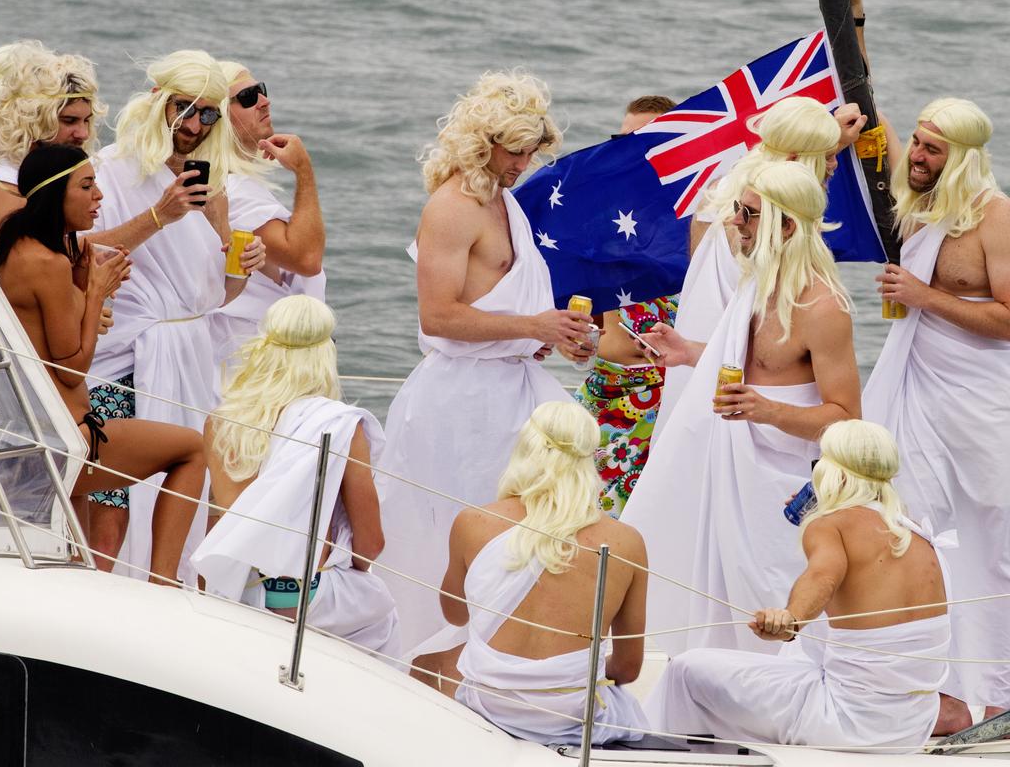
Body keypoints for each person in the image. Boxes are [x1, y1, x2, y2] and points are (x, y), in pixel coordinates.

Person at [374, 70, 589, 658]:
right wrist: (531, 326)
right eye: (514, 150)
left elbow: (495, 305)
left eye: (531, 151)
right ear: (481, 141)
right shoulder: (451, 208)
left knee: (528, 521)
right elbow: (439, 316)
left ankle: (506, 647)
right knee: (453, 523)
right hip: (460, 400)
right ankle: (427, 649)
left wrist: (550, 336)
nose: (523, 163)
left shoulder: (502, 200)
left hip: (510, 386)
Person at [623, 161, 860, 654]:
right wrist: (687, 352)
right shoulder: (755, 283)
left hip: (774, 485)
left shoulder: (823, 308)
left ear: (787, 225)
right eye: (737, 209)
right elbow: (749, 365)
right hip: (722, 461)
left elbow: (845, 418)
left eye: (748, 214)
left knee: (765, 604)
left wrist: (767, 411)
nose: (735, 222)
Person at [646, 419, 951, 754]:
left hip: (847, 722)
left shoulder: (830, 525)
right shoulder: (920, 536)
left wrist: (790, 620)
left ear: (836, 473)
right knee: (793, 658)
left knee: (686, 670)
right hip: (911, 726)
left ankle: (660, 757)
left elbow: (822, 575)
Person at [85, 50, 267, 584]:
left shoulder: (211, 186)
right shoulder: (108, 172)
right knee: (109, 494)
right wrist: (159, 216)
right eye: (183, 109)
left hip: (188, 359)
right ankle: (101, 588)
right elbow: (78, 251)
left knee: (190, 479)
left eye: (209, 115)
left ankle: (164, 586)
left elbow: (217, 297)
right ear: (157, 103)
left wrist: (242, 262)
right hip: (119, 354)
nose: (193, 125)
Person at [0, 144, 205, 583]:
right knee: (193, 448)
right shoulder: (47, 263)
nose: (99, 196)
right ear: (54, 195)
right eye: (87, 186)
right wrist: (96, 293)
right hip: (68, 437)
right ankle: (164, 580)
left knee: (79, 563)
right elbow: (71, 368)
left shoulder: (23, 248)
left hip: (36, 431)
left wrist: (87, 281)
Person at [863, 97, 1010, 732]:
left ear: (964, 161)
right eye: (917, 144)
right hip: (916, 396)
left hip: (982, 404)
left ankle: (999, 692)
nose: (916, 158)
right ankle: (942, 696)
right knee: (908, 525)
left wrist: (924, 297)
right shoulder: (923, 201)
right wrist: (851, 20)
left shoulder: (994, 219)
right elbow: (872, 124)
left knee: (992, 541)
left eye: (931, 151)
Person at [192, 295, 399, 658]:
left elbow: (221, 522)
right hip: (304, 597)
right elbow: (371, 545)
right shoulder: (338, 425)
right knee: (382, 615)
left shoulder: (220, 422)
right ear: (325, 354)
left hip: (240, 590)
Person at [654, 96, 865, 438]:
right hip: (737, 389)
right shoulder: (765, 231)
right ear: (796, 160)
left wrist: (830, 139)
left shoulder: (720, 195)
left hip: (695, 360)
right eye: (826, 156)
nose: (834, 164)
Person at [441, 401, 648, 745]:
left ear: (525, 450)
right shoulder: (626, 542)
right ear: (589, 460)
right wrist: (568, 674)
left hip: (489, 705)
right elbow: (628, 669)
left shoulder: (472, 522)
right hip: (571, 714)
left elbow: (454, 615)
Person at [573, 95, 679, 519]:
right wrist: (574, 342)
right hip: (603, 397)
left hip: (669, 403)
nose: (630, 152)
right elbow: (583, 313)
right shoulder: (601, 224)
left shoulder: (704, 222)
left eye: (645, 140)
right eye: (623, 140)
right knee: (575, 518)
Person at [207, 60, 326, 377]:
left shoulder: (232, 183)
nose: (264, 101)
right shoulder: (232, 189)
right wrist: (304, 171)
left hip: (258, 356)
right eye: (247, 96)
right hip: (248, 361)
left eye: (261, 91)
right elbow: (306, 258)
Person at [0, 40, 107, 260]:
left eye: (87, 121)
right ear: (34, 121)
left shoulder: (51, 180)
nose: (83, 134)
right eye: (69, 121)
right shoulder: (3, 187)